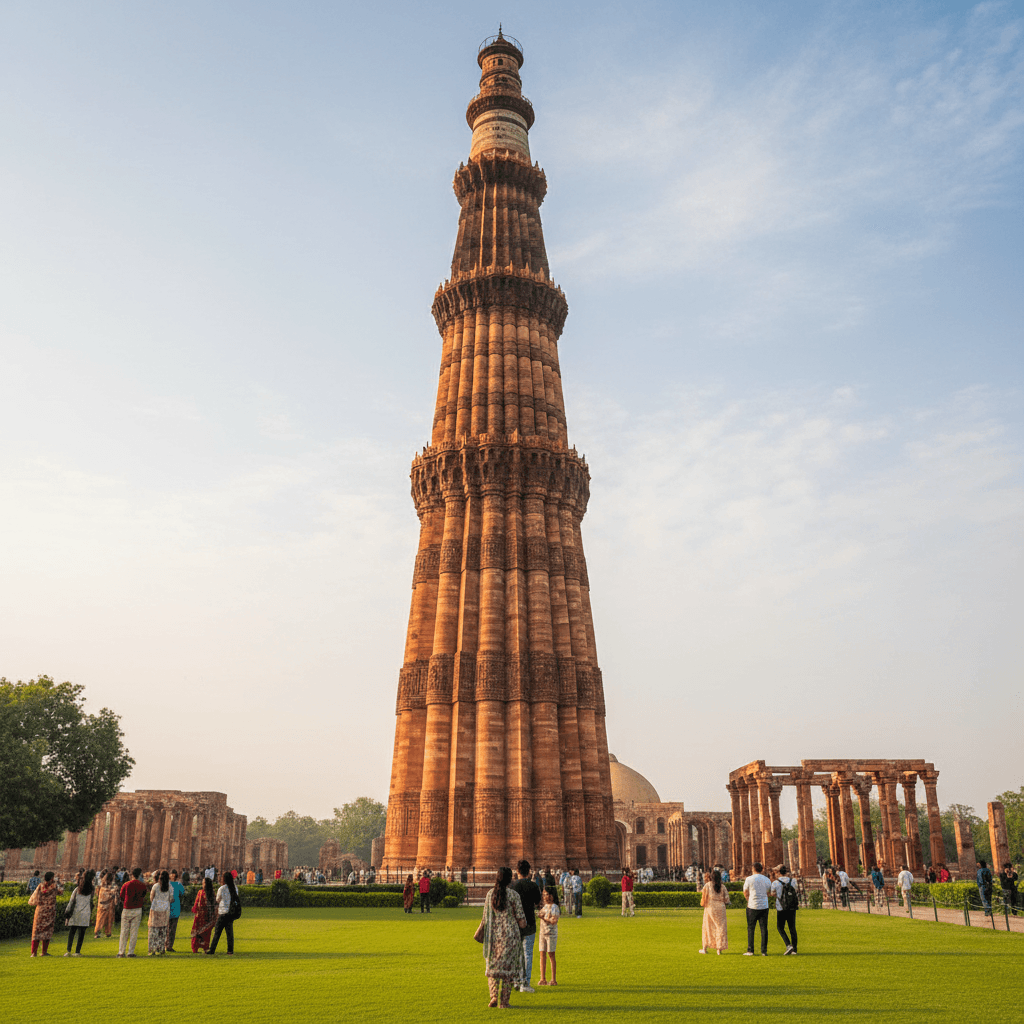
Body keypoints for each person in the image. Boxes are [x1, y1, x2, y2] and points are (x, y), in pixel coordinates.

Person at [478, 867, 527, 1009]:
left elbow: (485, 918)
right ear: (509, 879)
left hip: (492, 937)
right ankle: (504, 1002)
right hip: (510, 937)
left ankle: (493, 997)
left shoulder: (489, 895)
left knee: (493, 967)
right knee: (508, 971)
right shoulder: (513, 895)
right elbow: (521, 920)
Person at [511, 859, 541, 994]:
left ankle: (516, 981)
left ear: (517, 871)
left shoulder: (512, 886)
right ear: (529, 871)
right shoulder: (533, 886)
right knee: (527, 954)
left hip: (514, 924)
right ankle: (525, 983)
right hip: (529, 923)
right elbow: (537, 903)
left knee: (516, 953)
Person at [117, 868, 148, 958]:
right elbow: (143, 896)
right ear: (140, 875)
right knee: (134, 932)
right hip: (137, 909)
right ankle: (130, 952)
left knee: (124, 931)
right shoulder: (142, 885)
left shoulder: (126, 885)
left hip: (127, 909)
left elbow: (121, 897)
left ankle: (121, 952)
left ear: (132, 875)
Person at [29, 871, 61, 956]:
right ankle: (44, 952)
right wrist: (59, 882)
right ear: (52, 878)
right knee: (47, 931)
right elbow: (61, 892)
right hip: (50, 911)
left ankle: (34, 953)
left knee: (36, 931)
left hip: (40, 911)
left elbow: (34, 898)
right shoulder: (54, 887)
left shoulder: (40, 886)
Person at [742, 862, 771, 956]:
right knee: (764, 929)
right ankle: (764, 951)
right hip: (764, 906)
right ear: (762, 869)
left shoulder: (749, 879)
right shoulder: (766, 879)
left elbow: (745, 892)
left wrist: (749, 900)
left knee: (751, 928)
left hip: (752, 905)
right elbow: (769, 892)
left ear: (753, 869)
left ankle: (750, 950)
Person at [208, 871, 239, 955]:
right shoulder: (235, 888)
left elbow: (217, 900)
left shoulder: (222, 888)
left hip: (222, 913)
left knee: (217, 933)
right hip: (230, 913)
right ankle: (230, 950)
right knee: (229, 933)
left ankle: (212, 950)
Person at [699, 869, 729, 955]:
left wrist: (704, 905)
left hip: (710, 907)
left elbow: (703, 899)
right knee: (720, 928)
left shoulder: (707, 886)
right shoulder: (722, 887)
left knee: (707, 927)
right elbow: (726, 899)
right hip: (721, 908)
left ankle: (704, 948)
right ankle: (719, 949)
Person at [771, 865, 798, 956]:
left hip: (781, 907)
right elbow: (796, 891)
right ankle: (794, 949)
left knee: (780, 927)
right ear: (786, 872)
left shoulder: (775, 883)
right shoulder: (793, 881)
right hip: (791, 907)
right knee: (792, 928)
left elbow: (772, 893)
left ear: (779, 872)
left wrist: (779, 896)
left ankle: (788, 944)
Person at [537, 886, 560, 985]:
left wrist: (544, 918)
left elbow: (554, 921)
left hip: (551, 934)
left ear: (553, 896)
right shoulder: (545, 907)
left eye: (548, 894)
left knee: (551, 955)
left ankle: (553, 979)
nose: (545, 897)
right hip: (543, 933)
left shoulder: (554, 907)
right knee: (542, 955)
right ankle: (543, 978)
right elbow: (540, 914)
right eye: (544, 895)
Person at [148, 871, 173, 955]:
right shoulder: (170, 887)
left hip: (155, 909)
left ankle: (152, 950)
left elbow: (151, 897)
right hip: (165, 910)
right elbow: (171, 899)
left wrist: (156, 903)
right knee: (162, 930)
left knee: (153, 930)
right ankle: (161, 949)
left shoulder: (156, 886)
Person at [191, 876, 217, 953]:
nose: (202, 884)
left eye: (203, 883)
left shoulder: (201, 892)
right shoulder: (211, 893)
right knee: (205, 933)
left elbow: (196, 903)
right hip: (206, 916)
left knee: (199, 932)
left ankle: (196, 948)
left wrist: (195, 910)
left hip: (201, 915)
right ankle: (204, 947)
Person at [94, 871, 118, 939]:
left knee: (106, 919)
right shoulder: (103, 886)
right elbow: (107, 893)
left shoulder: (104, 885)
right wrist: (112, 892)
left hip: (106, 904)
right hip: (104, 904)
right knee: (101, 919)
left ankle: (107, 932)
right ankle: (98, 932)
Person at [167, 870, 186, 952]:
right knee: (172, 929)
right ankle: (169, 945)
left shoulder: (167, 884)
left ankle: (165, 944)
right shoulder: (178, 884)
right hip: (175, 908)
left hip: (167, 907)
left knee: (166, 928)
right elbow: (183, 893)